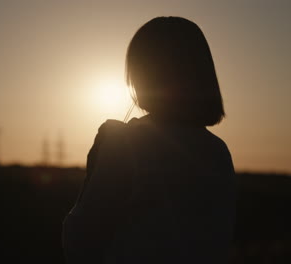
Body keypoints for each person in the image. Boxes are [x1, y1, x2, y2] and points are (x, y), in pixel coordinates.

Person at [62, 16, 237, 264]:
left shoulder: (127, 143)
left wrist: (94, 165)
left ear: (142, 76)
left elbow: (79, 242)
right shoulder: (219, 152)